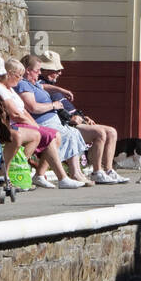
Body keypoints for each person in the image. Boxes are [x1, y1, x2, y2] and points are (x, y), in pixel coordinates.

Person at [0, 57, 84, 188]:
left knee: (54, 135)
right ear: (10, 74)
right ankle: (61, 177)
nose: (20, 79)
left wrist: (35, 125)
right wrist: (35, 126)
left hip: (22, 123)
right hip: (11, 125)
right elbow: (17, 114)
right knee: (44, 135)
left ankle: (35, 173)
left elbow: (24, 111)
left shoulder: (11, 88)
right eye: (19, 76)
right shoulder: (1, 87)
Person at [38, 51, 124, 183]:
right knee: (99, 133)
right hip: (67, 123)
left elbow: (69, 108)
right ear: (44, 70)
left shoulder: (53, 86)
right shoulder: (41, 86)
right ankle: (96, 172)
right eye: (56, 70)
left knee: (112, 132)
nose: (59, 73)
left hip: (77, 120)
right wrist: (70, 119)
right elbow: (54, 110)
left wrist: (84, 117)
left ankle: (108, 169)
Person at [17, 53, 93, 184]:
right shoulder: (23, 84)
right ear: (28, 71)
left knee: (73, 132)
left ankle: (75, 172)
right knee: (63, 135)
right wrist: (53, 105)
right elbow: (33, 107)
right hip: (41, 122)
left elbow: (44, 86)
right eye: (37, 70)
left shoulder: (32, 83)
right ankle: (72, 174)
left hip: (52, 122)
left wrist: (62, 90)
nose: (39, 73)